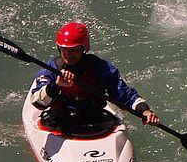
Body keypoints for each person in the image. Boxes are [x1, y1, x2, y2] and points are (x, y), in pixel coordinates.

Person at [28, 21, 160, 136]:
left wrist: (144, 111)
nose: (68, 54)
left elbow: (124, 95)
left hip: (95, 121)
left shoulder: (101, 68)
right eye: (64, 50)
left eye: (74, 50)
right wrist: (56, 86)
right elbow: (37, 103)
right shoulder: (51, 69)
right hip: (60, 122)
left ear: (83, 48)